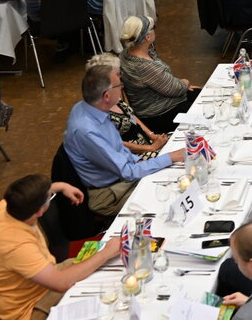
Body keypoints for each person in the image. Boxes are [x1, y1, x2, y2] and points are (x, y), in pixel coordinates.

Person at [0, 174, 122, 320]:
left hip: (42, 281)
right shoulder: (16, 246)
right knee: (107, 297)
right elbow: (61, 283)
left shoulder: (8, 205)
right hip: (30, 308)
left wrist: (61, 186)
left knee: (104, 271)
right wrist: (106, 252)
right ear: (40, 212)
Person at [64, 60, 184, 215]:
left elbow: (119, 150)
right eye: (118, 85)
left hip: (122, 177)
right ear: (106, 95)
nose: (122, 87)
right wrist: (170, 157)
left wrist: (144, 161)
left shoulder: (89, 107)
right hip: (110, 193)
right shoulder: (88, 131)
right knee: (169, 197)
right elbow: (127, 172)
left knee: (176, 177)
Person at [118, 15, 196, 133]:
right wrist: (185, 83)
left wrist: (180, 85)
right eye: (153, 27)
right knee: (207, 110)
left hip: (156, 105)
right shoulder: (144, 67)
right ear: (147, 37)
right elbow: (174, 89)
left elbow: (164, 82)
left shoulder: (125, 54)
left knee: (203, 95)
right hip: (160, 115)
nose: (155, 30)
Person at [84, 53, 167, 160]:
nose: (120, 76)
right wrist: (151, 147)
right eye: (117, 74)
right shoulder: (99, 110)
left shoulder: (113, 94)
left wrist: (153, 136)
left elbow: (131, 116)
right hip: (133, 156)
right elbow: (117, 145)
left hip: (146, 143)